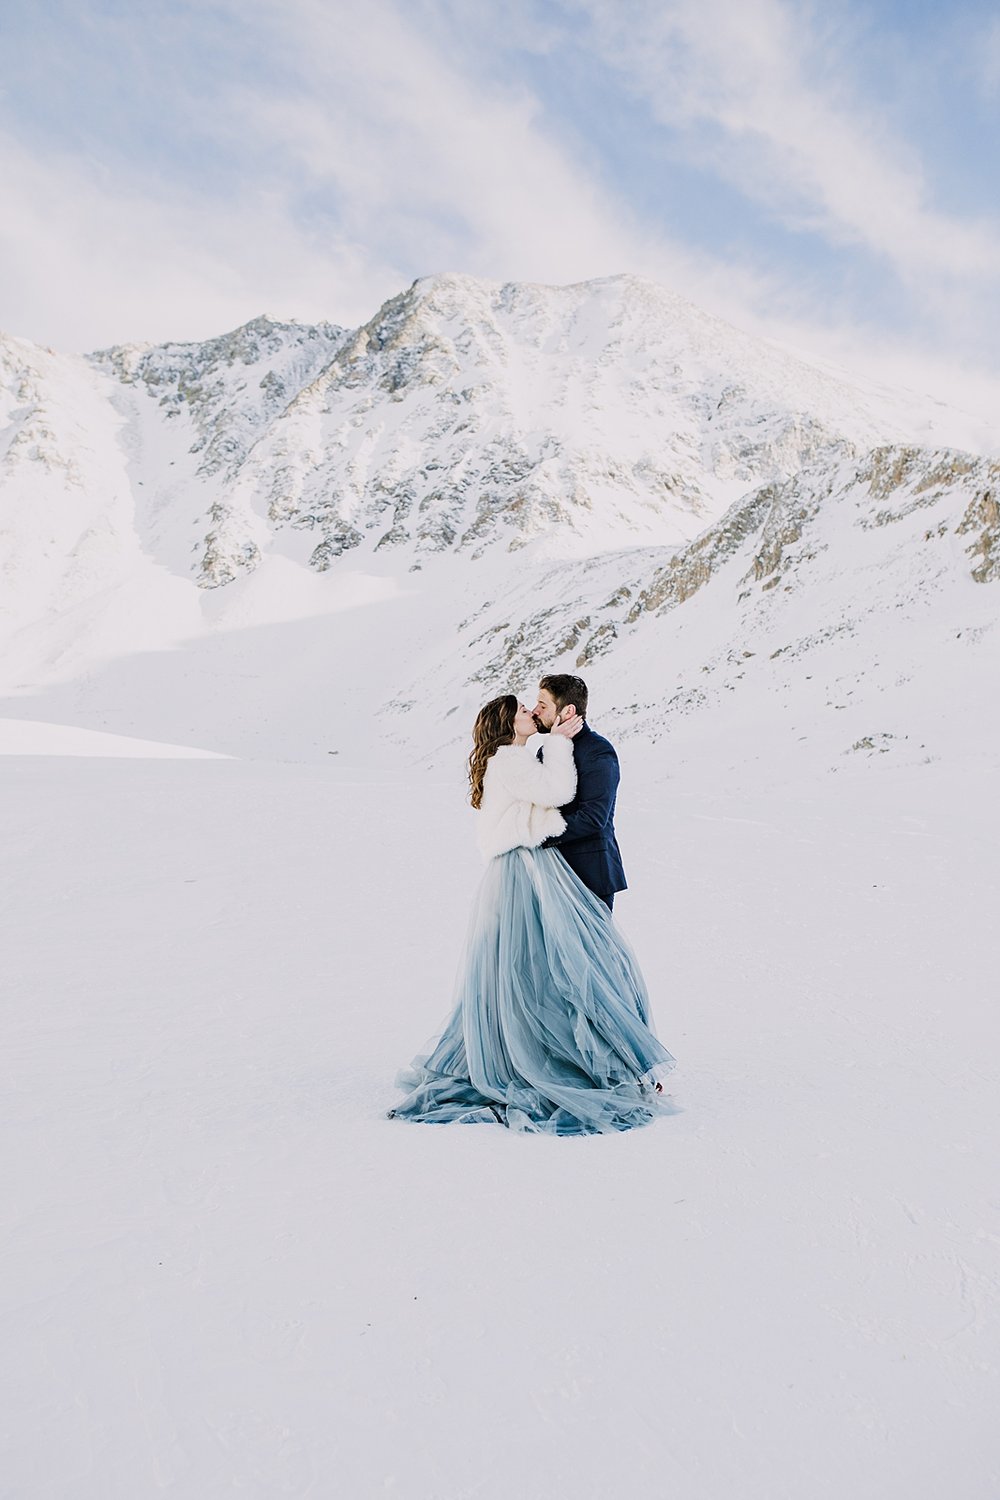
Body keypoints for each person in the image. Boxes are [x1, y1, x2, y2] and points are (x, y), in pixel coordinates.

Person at [388, 694, 675, 1135]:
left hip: (524, 866)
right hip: (526, 868)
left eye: (534, 705)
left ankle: (553, 1051)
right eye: (523, 710)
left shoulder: (514, 758)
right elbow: (558, 793)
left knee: (535, 965)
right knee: (552, 963)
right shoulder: (511, 760)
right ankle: (550, 1058)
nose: (531, 713)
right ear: (509, 723)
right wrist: (559, 744)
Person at [532, 674, 626, 912]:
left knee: (593, 950)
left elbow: (594, 817)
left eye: (543, 706)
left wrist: (538, 833)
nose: (535, 711)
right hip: (552, 874)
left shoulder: (598, 751)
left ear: (568, 711)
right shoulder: (546, 751)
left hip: (589, 875)